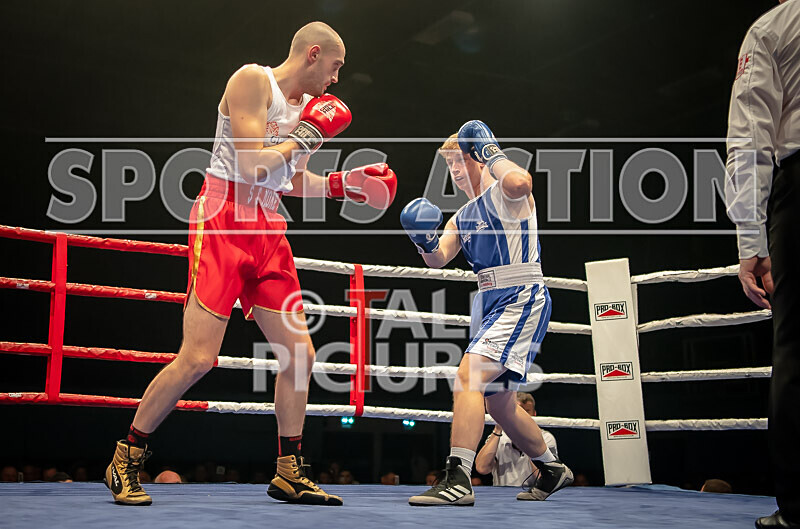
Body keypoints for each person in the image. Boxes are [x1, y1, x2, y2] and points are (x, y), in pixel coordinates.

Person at [104, 21, 397, 507]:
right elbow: (249, 164)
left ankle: (289, 471)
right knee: (198, 358)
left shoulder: (306, 111)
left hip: (266, 227)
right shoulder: (251, 81)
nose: (337, 79)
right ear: (313, 54)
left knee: (300, 354)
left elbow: (289, 179)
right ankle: (126, 457)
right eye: (336, 67)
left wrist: (345, 184)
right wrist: (305, 136)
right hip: (221, 220)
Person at [402, 121, 572, 506]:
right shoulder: (461, 216)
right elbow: (437, 259)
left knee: (469, 374)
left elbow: (521, 183)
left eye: (461, 159)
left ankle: (458, 477)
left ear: (478, 156)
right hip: (489, 302)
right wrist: (422, 238)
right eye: (449, 166)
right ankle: (551, 468)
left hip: (521, 294)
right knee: (498, 403)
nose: (456, 171)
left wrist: (489, 150)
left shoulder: (506, 193)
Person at [724, 2, 800, 527]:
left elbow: (750, 137)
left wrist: (751, 239)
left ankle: (799, 510)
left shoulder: (776, 26)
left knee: (797, 346)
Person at [475, 392, 558, 487]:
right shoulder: (498, 437)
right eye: (519, 412)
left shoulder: (546, 438)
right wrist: (498, 429)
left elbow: (542, 478)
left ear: (534, 414)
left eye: (527, 412)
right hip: (502, 497)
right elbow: (482, 468)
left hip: (535, 495)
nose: (522, 417)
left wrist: (530, 440)